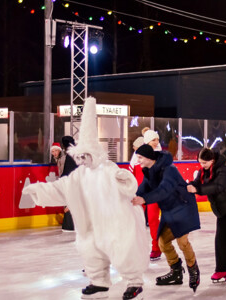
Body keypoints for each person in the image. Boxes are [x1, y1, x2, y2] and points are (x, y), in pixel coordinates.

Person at [22, 97, 148, 300]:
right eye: (78, 156)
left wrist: (125, 180)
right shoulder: (80, 175)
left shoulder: (108, 169)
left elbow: (129, 185)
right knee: (90, 249)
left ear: (94, 154)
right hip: (91, 223)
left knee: (122, 250)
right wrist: (37, 189)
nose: (80, 160)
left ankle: (134, 282)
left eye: (84, 156)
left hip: (115, 220)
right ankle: (99, 282)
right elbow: (61, 188)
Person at [132, 144, 201, 292]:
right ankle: (176, 271)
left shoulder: (169, 170)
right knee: (162, 242)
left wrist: (144, 200)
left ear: (149, 158)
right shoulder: (149, 171)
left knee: (182, 242)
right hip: (169, 210)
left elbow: (164, 190)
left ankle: (193, 268)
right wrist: (131, 197)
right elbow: (143, 188)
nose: (138, 161)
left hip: (183, 208)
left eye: (140, 158)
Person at [187, 148, 226, 283]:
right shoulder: (204, 170)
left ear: (212, 160)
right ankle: (222, 268)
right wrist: (190, 186)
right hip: (222, 208)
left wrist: (197, 190)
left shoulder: (223, 170)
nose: (201, 165)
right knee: (220, 238)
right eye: (200, 163)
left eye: (204, 163)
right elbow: (197, 182)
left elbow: (217, 187)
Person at [143, 129, 163, 261]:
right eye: (153, 140)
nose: (156, 142)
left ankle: (163, 245)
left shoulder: (161, 155)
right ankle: (156, 247)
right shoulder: (139, 155)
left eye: (157, 139)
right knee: (152, 220)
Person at [60, 136, 78, 232]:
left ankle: (69, 225)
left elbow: (68, 170)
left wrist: (62, 178)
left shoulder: (70, 155)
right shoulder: (77, 153)